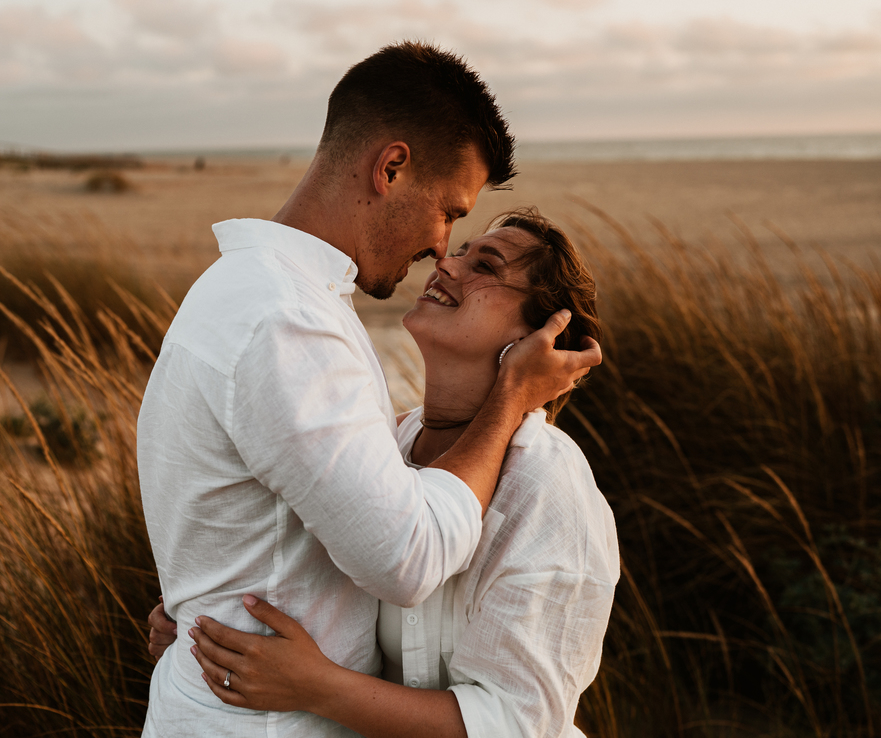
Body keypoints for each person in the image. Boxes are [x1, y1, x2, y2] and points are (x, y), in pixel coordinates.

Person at [136, 42, 602, 737]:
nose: (443, 249)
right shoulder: (287, 319)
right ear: (390, 168)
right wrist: (510, 399)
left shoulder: (275, 299)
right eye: (449, 211)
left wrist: (207, 596)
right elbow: (407, 558)